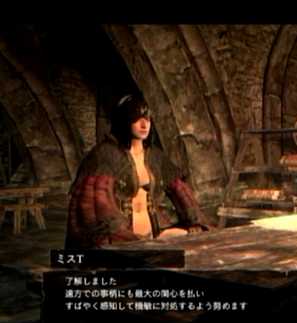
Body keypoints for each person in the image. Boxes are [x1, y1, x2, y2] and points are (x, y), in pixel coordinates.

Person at [65, 94, 210, 249]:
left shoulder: (155, 156)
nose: (144, 125)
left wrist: (194, 223)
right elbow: (100, 209)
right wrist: (126, 238)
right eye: (137, 119)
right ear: (124, 121)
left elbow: (181, 192)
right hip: (122, 240)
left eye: (147, 119)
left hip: (154, 234)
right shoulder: (105, 155)